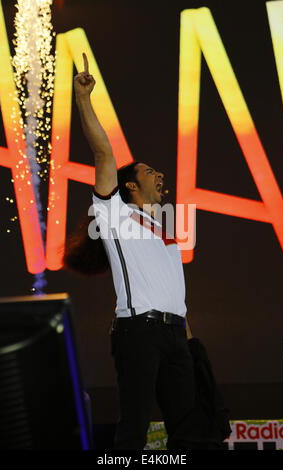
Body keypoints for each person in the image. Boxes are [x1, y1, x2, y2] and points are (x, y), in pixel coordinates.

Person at [71, 52, 231, 450]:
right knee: (133, 431)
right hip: (138, 331)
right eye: (148, 171)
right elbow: (104, 155)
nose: (159, 175)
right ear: (129, 186)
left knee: (191, 433)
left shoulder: (167, 229)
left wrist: (192, 343)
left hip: (176, 334)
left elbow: (175, 293)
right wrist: (83, 100)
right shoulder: (113, 215)